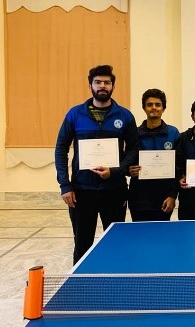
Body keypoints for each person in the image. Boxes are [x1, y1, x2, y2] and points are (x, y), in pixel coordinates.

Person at [54, 64, 139, 264]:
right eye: (98, 82)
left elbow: (134, 148)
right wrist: (65, 185)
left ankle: (117, 281)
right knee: (82, 243)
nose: (102, 86)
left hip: (114, 190)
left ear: (113, 86)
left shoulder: (125, 116)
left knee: (116, 242)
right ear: (90, 85)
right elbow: (61, 149)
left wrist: (116, 171)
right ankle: (81, 286)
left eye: (107, 83)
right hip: (82, 191)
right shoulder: (74, 114)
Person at [128, 88, 180, 221]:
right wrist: (129, 170)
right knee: (141, 238)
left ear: (163, 108)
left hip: (164, 198)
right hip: (139, 198)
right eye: (149, 104)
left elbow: (178, 167)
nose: (154, 108)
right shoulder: (134, 134)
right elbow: (126, 160)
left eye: (158, 104)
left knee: (162, 238)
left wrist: (172, 196)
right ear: (144, 108)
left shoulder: (173, 133)